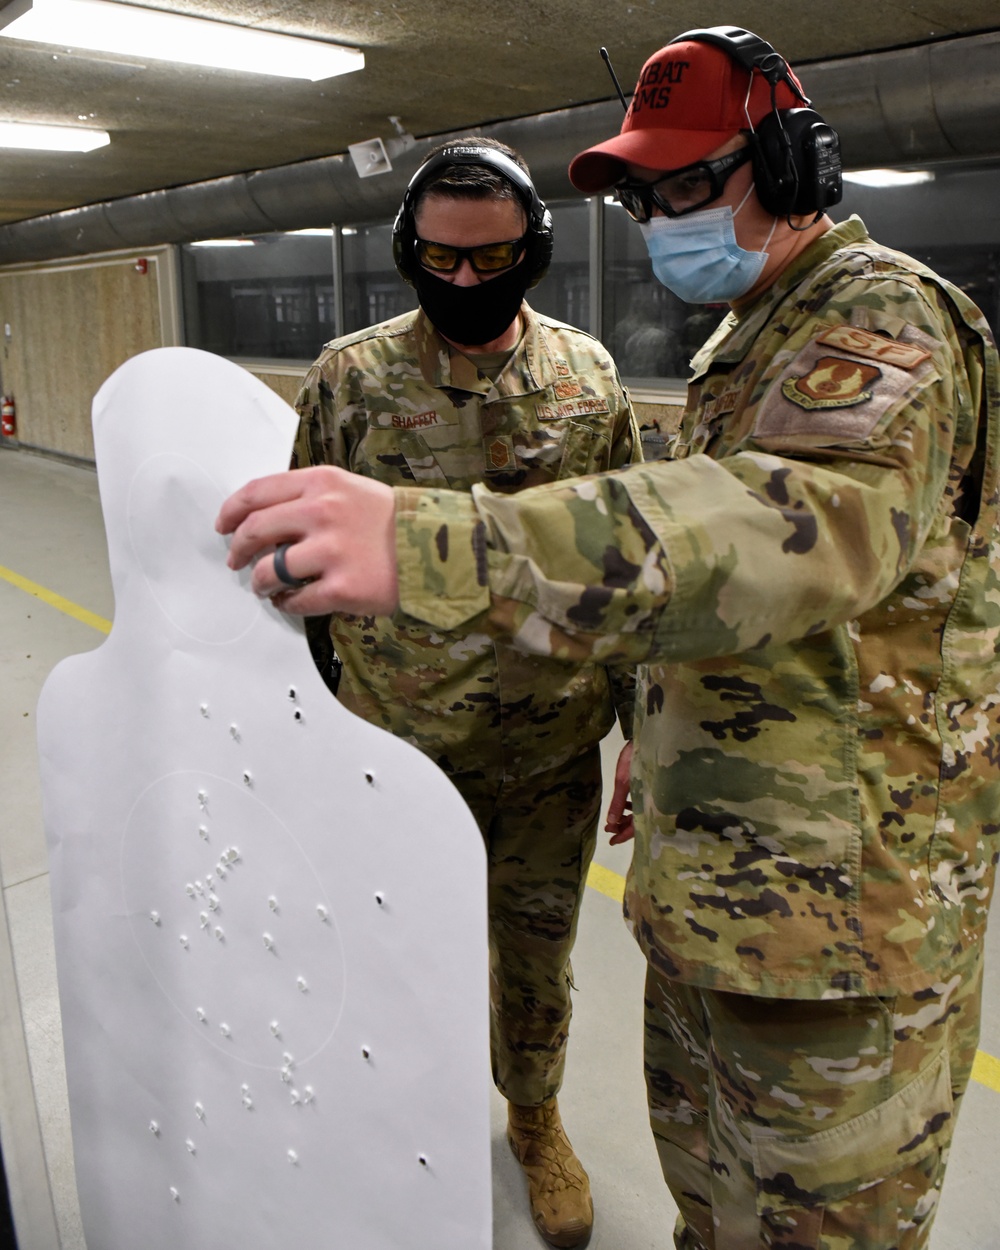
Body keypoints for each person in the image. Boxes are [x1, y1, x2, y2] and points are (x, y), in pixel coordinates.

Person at [217, 27, 1000, 1250]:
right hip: (710, 881)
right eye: (642, 194)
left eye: (686, 183)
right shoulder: (750, 344)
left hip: (838, 914)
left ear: (792, 166)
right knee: (712, 1198)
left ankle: (531, 1119)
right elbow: (675, 588)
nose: (655, 216)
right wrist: (657, 719)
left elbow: (782, 528)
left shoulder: (880, 318)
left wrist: (432, 543)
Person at [290, 137, 640, 1249]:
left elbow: (636, 565)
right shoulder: (349, 380)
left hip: (548, 742)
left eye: (491, 262)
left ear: (531, 249)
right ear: (408, 249)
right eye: (439, 261)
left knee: (536, 951)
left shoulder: (589, 379)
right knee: (390, 947)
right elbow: (297, 570)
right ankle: (400, 1118)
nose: (464, 285)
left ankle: (532, 1121)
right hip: (398, 741)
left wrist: (643, 730)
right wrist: (305, 726)